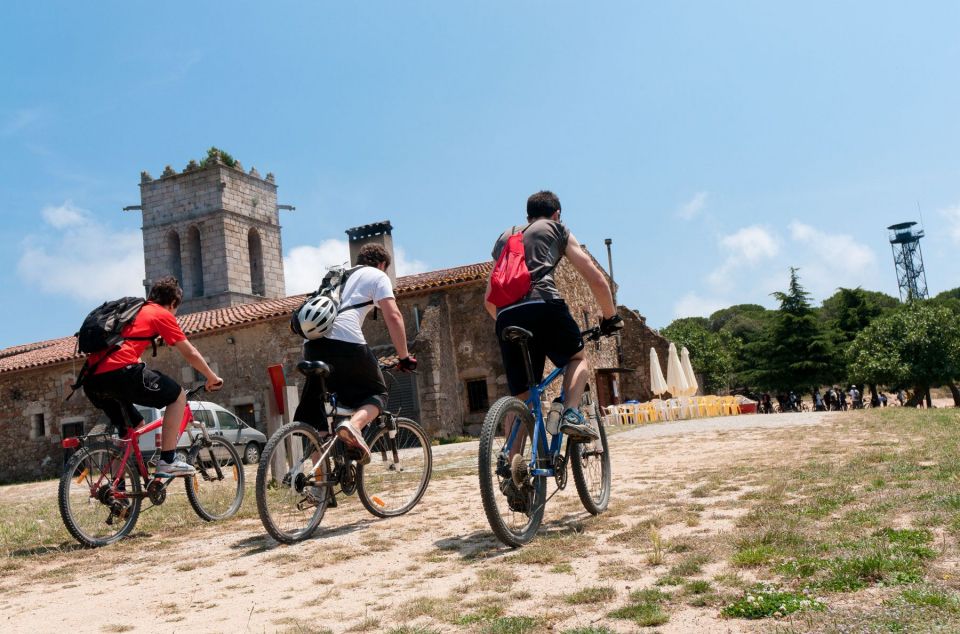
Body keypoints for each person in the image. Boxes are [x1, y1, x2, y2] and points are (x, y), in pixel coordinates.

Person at [485, 190, 623, 441]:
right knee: (577, 359)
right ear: (556, 214)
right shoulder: (556, 228)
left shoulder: (505, 237)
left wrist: (512, 321)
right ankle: (570, 413)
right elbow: (594, 277)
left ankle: (511, 468)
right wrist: (610, 316)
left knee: (522, 398)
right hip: (544, 304)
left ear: (528, 216)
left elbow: (488, 300)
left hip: (505, 316)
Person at [83, 276, 223, 476]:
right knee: (177, 396)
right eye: (176, 308)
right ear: (173, 303)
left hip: (92, 380)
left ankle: (117, 490)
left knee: (132, 427)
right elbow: (189, 352)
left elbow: (121, 347)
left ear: (151, 296)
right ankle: (167, 460)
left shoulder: (133, 312)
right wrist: (211, 377)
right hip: (120, 373)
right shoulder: (160, 313)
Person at [293, 244, 416, 464]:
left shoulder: (337, 277)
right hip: (345, 342)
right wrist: (404, 356)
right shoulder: (377, 275)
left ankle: (319, 487)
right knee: (377, 394)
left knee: (318, 421)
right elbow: (393, 315)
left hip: (311, 345)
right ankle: (354, 426)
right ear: (381, 265)